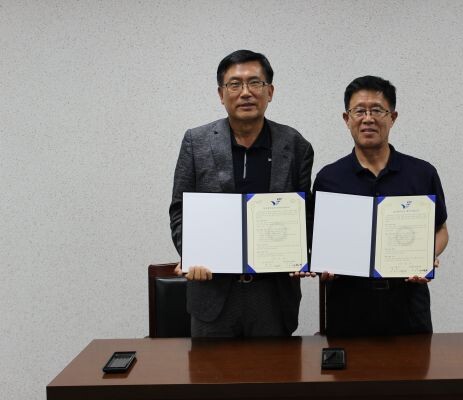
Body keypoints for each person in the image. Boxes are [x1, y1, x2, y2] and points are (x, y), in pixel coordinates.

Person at [169, 50, 314, 337]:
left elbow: (304, 212)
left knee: (274, 367)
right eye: (235, 84)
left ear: (270, 91)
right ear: (221, 94)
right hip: (212, 294)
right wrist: (192, 253)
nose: (245, 92)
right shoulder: (196, 142)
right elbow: (179, 210)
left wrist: (303, 251)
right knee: (209, 368)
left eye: (255, 83)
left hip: (273, 296)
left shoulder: (296, 145)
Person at [313, 75, 448, 336]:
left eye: (377, 110)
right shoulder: (329, 178)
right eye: (359, 111)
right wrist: (320, 263)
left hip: (408, 304)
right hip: (348, 304)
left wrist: (426, 256)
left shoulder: (422, 173)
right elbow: (316, 238)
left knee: (415, 363)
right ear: (346, 119)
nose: (368, 118)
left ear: (392, 117)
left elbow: (441, 230)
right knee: (349, 364)